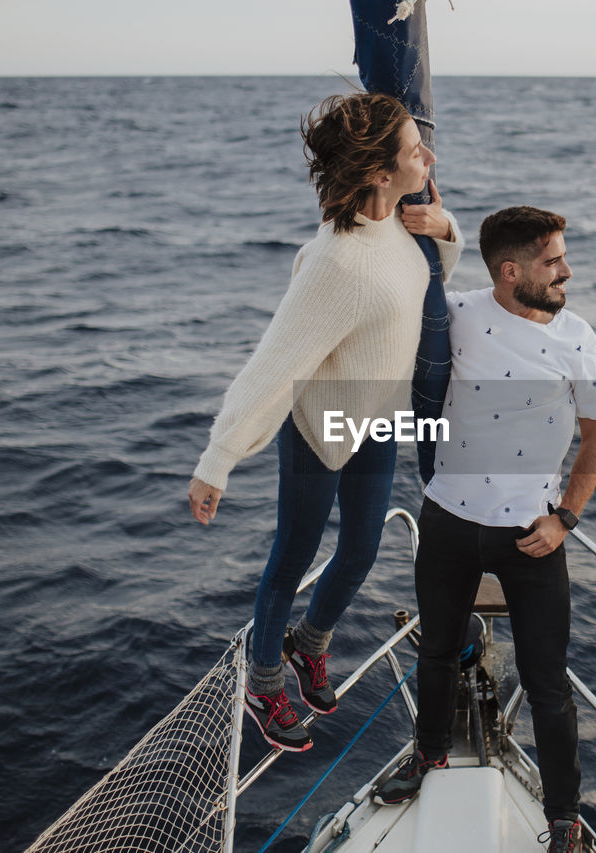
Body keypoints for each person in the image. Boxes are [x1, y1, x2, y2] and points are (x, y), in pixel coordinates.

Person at [187, 92, 463, 752]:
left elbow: (426, 285)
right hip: (321, 423)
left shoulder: (400, 221)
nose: (428, 154)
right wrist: (217, 458)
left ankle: (309, 643)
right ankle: (261, 680)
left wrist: (445, 229)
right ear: (377, 173)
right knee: (292, 557)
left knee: (363, 548)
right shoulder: (335, 263)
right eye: (412, 150)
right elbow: (274, 364)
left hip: (377, 415)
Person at [375, 206, 596, 853]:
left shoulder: (578, 338)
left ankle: (565, 815)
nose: (566, 270)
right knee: (435, 653)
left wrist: (564, 517)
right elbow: (412, 270)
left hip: (531, 538)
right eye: (552, 261)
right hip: (448, 517)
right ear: (510, 272)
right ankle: (429, 757)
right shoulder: (459, 315)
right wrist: (440, 216)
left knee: (548, 684)